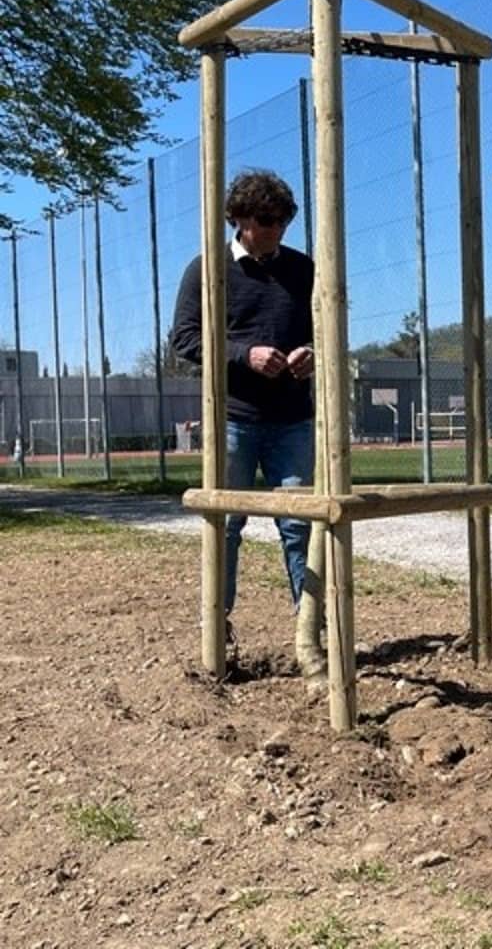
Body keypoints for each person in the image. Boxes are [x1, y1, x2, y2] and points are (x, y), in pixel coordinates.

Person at [171, 169, 316, 648]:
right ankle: (218, 627)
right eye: (265, 218)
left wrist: (312, 353)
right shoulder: (206, 270)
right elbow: (184, 340)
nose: (275, 228)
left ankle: (311, 628)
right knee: (227, 524)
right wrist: (245, 354)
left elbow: (327, 326)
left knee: (299, 525)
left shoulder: (304, 269)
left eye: (283, 220)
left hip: (293, 420)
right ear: (237, 217)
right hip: (234, 420)